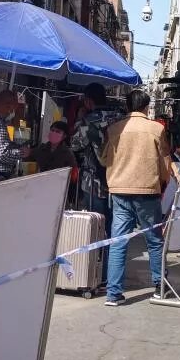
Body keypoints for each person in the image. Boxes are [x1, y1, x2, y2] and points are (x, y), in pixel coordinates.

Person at [99, 89, 171, 306]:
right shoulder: (156, 129)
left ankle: (113, 294)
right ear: (146, 107)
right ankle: (159, 287)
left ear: (127, 106)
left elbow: (105, 160)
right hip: (147, 192)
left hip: (119, 190)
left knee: (118, 242)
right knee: (155, 241)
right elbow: (165, 164)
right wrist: (164, 180)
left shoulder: (114, 129)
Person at [70, 83, 123, 285]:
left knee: (94, 230)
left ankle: (94, 276)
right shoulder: (121, 119)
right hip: (119, 183)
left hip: (93, 184)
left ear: (88, 100)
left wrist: (80, 118)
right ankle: (112, 277)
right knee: (115, 231)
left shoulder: (87, 122)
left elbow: (75, 145)